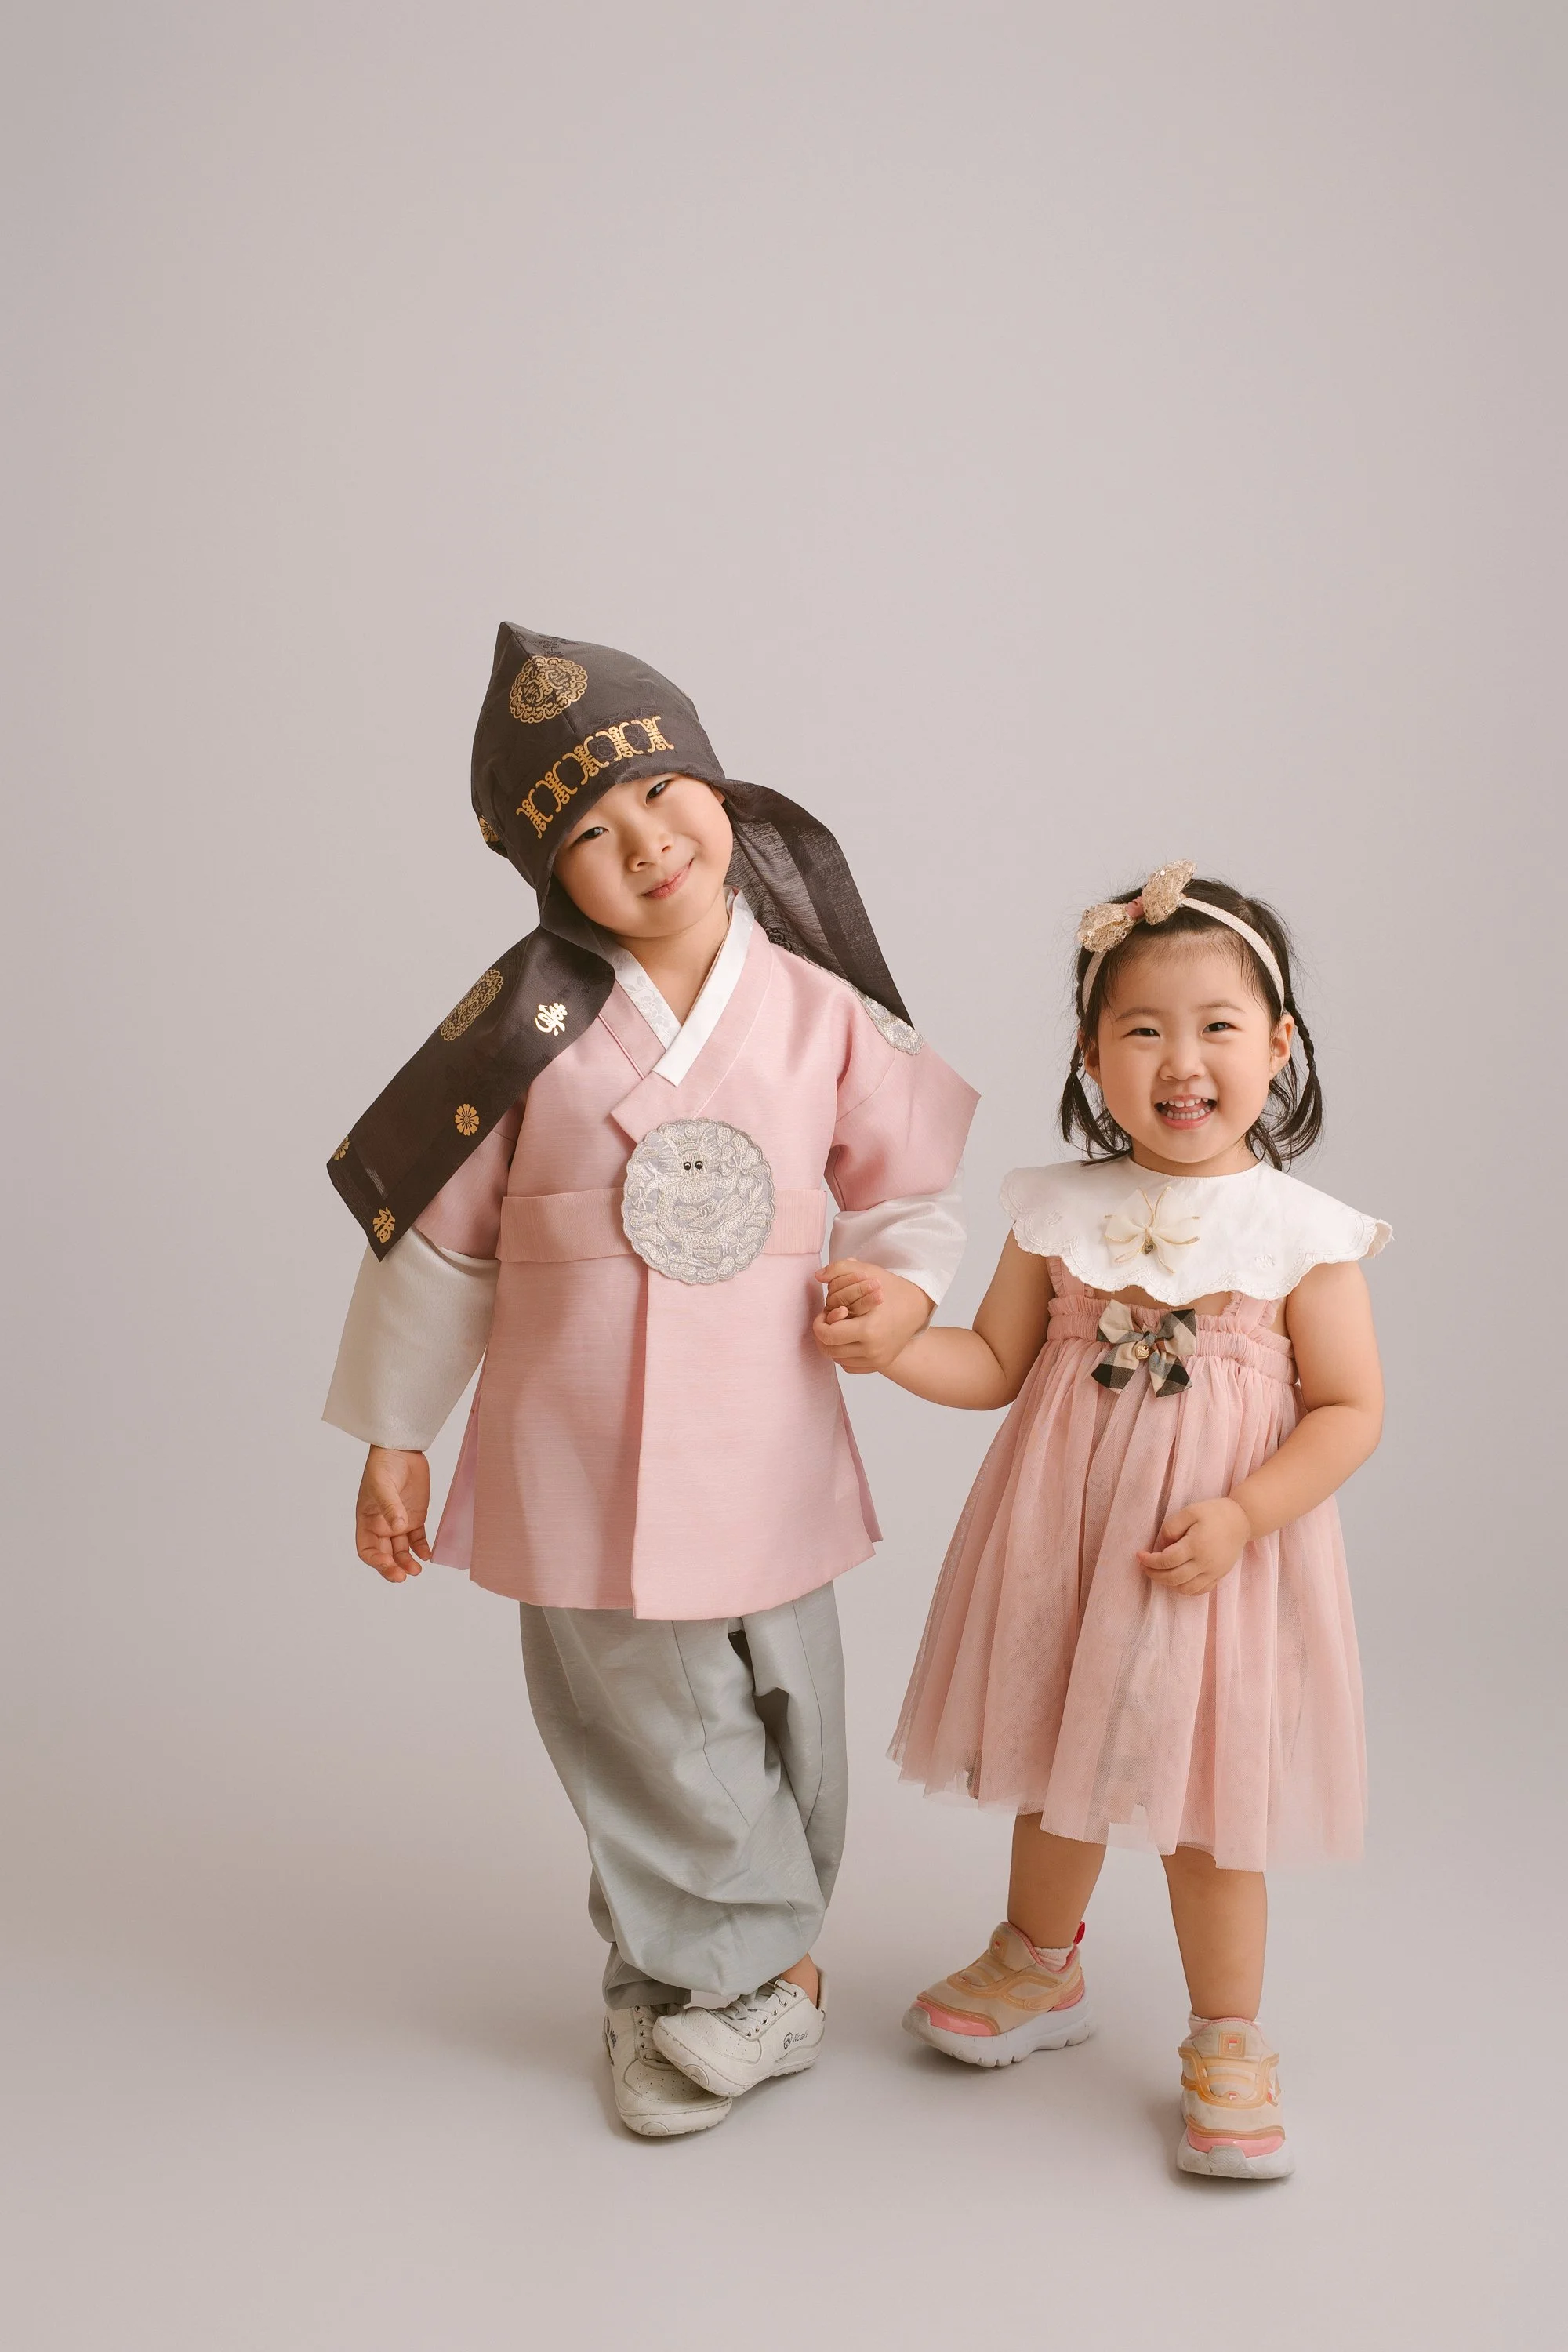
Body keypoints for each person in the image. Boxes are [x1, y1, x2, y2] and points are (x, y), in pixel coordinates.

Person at [322, 626, 977, 2137]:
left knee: (784, 1709)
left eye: (658, 795)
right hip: (582, 1442)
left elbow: (908, 1196)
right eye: (588, 837)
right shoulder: (520, 1035)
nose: (643, 845)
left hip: (768, 1441)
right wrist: (395, 1439)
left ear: (721, 788)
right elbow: (434, 1245)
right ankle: (709, 1991)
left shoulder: (823, 1012)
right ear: (551, 881)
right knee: (648, 1724)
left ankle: (758, 1970)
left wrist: (906, 1290)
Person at [815, 862, 1388, 2179]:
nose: (1181, 1061)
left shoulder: (1305, 1234)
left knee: (1206, 1810)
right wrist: (899, 1344)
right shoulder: (1053, 1211)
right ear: (1092, 1053)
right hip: (1068, 1546)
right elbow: (993, 1367)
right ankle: (1039, 1965)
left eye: (1218, 1027)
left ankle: (1229, 2038)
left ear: (1279, 1044)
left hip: (1209, 1566)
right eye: (1142, 1029)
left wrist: (1246, 1514)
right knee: (1057, 1762)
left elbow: (1350, 1410)